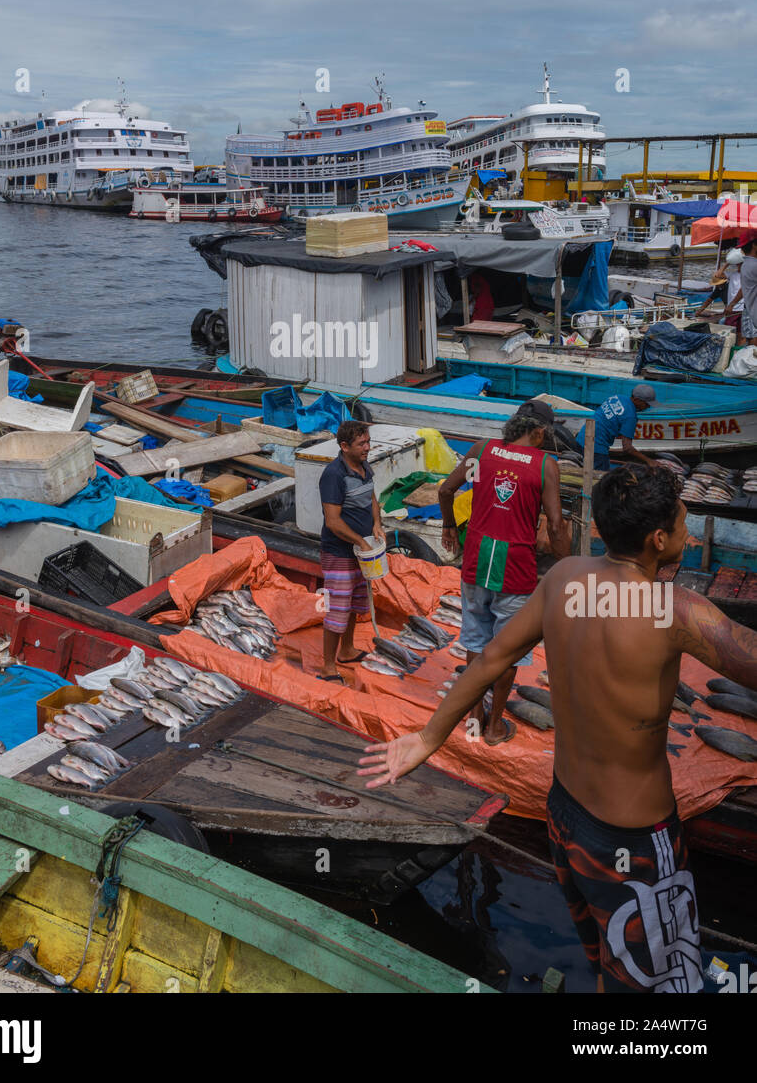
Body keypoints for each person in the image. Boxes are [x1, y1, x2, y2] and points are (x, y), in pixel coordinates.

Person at [360, 464, 757, 993]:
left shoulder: (565, 578)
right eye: (683, 525)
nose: (686, 534)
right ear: (659, 540)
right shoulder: (675, 610)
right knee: (658, 985)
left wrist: (428, 739)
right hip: (634, 840)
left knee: (604, 963)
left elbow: (490, 658)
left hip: (566, 818)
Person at [438, 399, 570, 744]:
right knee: (507, 649)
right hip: (514, 567)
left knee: (475, 641)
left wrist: (450, 526)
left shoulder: (482, 451)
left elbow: (446, 489)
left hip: (476, 560)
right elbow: (556, 527)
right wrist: (569, 567)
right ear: (539, 433)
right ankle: (494, 726)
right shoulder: (545, 466)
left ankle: (474, 716)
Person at [318, 420, 384, 682]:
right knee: (337, 607)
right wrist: (361, 541)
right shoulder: (333, 475)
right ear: (344, 447)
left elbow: (371, 497)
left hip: (361, 551)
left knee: (356, 601)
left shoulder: (363, 465)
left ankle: (346, 650)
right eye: (361, 444)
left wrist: (377, 525)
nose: (367, 447)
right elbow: (333, 521)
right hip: (340, 553)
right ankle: (327, 666)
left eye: (368, 442)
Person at [575, 384, 656, 472]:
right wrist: (649, 460)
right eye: (647, 404)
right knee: (601, 478)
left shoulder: (617, 397)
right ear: (637, 400)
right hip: (596, 448)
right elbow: (627, 448)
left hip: (581, 438)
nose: (648, 407)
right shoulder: (630, 416)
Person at [694, 248, 748, 343]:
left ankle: (737, 349)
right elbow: (717, 275)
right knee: (729, 331)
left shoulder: (748, 275)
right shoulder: (732, 275)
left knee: (741, 333)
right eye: (738, 264)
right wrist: (727, 263)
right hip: (732, 310)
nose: (739, 266)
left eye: (741, 264)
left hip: (742, 309)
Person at [735, 236, 757, 346]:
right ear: (753, 245)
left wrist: (732, 304)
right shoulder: (753, 265)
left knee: (750, 339)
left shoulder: (745, 265)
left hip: (749, 309)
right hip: (753, 311)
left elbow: (743, 289)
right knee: (753, 339)